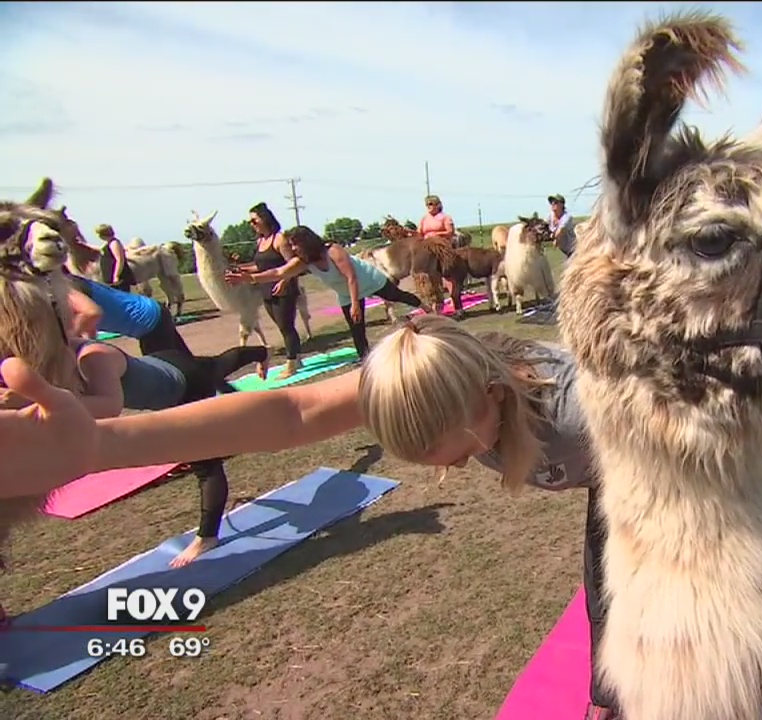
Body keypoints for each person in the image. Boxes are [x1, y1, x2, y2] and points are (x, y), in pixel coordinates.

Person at [0, 314, 621, 718]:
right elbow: (290, 413)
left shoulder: (584, 415)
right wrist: (102, 446)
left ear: (492, 402)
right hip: (613, 477)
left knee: (635, 613)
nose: (454, 467)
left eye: (447, 449)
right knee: (608, 631)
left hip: (659, 483)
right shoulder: (430, 381)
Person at [71, 337, 268, 566]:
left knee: (206, 466)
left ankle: (207, 537)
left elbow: (109, 408)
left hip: (184, 386)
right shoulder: (67, 349)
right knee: (215, 365)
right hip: (165, 362)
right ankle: (261, 353)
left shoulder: (92, 358)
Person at [227, 226, 424, 361]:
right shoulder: (304, 261)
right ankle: (365, 360)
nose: (293, 248)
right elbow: (279, 272)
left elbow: (351, 277)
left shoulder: (333, 251)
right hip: (346, 293)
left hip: (368, 280)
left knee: (398, 296)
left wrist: (356, 303)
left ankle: (425, 307)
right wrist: (250, 278)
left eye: (295, 244)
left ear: (307, 241)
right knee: (356, 328)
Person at [241, 202, 304, 377]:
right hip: (266, 290)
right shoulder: (261, 241)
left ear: (265, 219)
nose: (252, 224)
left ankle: (291, 363)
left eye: (254, 220)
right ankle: (297, 357)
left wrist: (284, 281)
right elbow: (260, 265)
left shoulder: (279, 239)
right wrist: (242, 270)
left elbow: (293, 264)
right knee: (282, 326)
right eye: (250, 222)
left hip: (284, 289)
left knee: (286, 327)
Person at [65, 273, 192, 355]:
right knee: (185, 364)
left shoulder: (67, 286)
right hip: (152, 313)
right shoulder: (72, 282)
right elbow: (90, 329)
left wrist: (68, 339)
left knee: (171, 375)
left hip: (148, 321)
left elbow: (91, 313)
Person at [94, 224, 136, 291]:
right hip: (111, 279)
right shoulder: (108, 243)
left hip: (118, 280)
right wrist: (83, 244)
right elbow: (100, 249)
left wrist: (116, 276)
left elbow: (119, 260)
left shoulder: (114, 243)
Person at [547, 193, 577, 259]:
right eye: (551, 202)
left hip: (574, 251)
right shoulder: (550, 217)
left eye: (555, 202)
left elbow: (560, 231)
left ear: (562, 204)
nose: (552, 204)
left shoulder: (567, 217)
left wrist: (554, 238)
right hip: (564, 251)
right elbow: (545, 228)